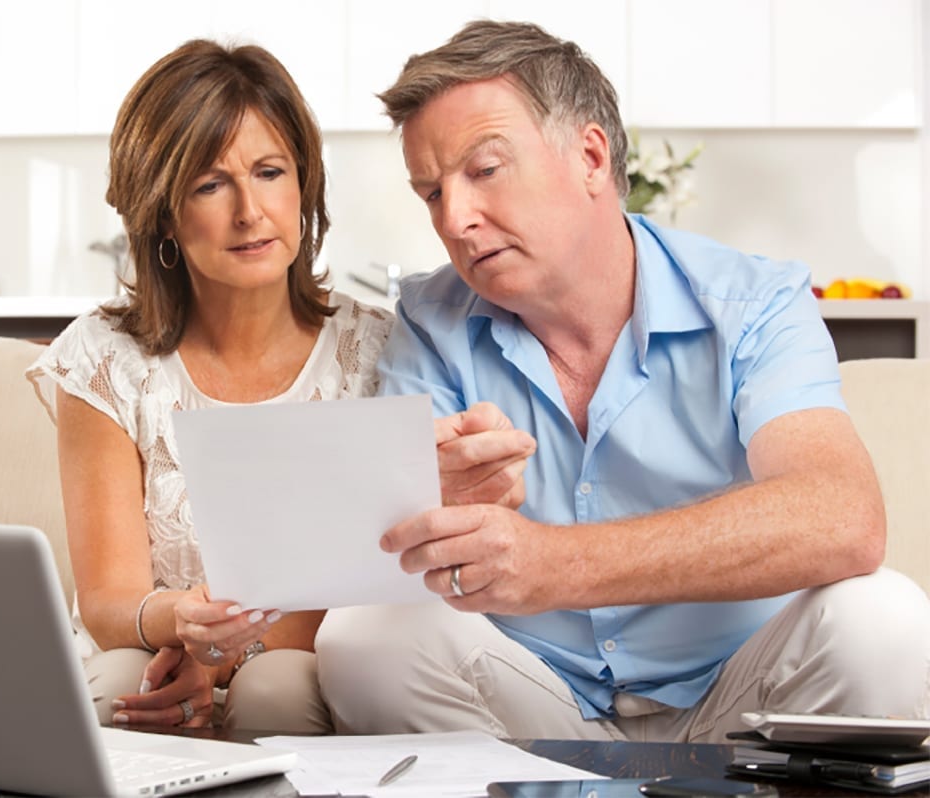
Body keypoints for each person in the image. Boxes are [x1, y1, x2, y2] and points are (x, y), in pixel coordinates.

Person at [316, 20, 930, 743]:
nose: (454, 219)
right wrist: (434, 500)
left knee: (885, 619)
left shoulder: (754, 302)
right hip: (536, 707)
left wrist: (556, 565)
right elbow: (383, 556)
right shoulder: (431, 317)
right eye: (430, 193)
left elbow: (841, 518)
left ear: (590, 157)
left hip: (745, 701)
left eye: (483, 170)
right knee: (362, 641)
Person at [28, 39, 392, 732]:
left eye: (269, 171)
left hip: (309, 652)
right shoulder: (102, 359)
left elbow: (374, 594)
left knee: (276, 689)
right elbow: (108, 599)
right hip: (159, 645)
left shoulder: (376, 349)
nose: (250, 210)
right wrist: (184, 626)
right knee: (117, 687)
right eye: (210, 184)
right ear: (163, 213)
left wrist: (225, 657)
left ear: (304, 184)